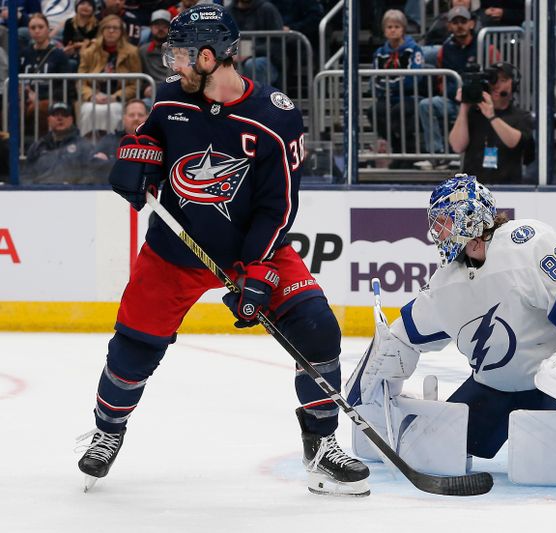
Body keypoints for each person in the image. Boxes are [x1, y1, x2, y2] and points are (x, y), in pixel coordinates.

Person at [76, 4, 370, 497]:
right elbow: (147, 141)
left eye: (183, 54)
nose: (174, 64)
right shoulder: (171, 99)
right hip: (176, 248)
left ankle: (321, 446)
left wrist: (257, 270)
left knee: (317, 327)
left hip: (252, 248)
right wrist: (134, 159)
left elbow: (279, 206)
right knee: (133, 347)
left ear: (211, 57)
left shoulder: (275, 118)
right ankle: (108, 431)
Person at [346, 174, 556, 462]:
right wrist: (373, 386)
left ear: (467, 216)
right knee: (437, 448)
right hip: (497, 388)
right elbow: (402, 337)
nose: (437, 232)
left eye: (443, 221)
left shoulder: (528, 244)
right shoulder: (445, 284)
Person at [417, 7, 498, 166]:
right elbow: (441, 79)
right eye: (455, 22)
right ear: (449, 26)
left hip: (481, 103)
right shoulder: (444, 50)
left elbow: (496, 78)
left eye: (463, 21)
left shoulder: (486, 46)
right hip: (454, 102)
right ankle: (437, 155)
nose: (459, 25)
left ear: (472, 24)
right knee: (427, 105)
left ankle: (479, 159)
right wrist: (454, 94)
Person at [449, 61, 534, 183]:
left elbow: (514, 142)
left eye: (503, 80)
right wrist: (464, 107)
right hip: (473, 188)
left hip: (509, 188)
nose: (497, 85)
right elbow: (457, 146)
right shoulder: (474, 113)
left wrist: (491, 116)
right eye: (493, 80)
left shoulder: (522, 116)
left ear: (513, 84)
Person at [368, 9, 424, 169]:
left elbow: (414, 77)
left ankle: (410, 151)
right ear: (384, 31)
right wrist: (389, 87)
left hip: (410, 96)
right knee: (373, 111)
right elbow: (374, 78)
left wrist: (390, 86)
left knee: (398, 111)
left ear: (403, 29)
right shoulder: (379, 53)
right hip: (386, 97)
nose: (393, 30)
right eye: (389, 27)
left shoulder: (414, 49)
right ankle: (399, 149)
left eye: (397, 27)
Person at [78, 14, 143, 137]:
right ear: (102, 30)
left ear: (121, 32)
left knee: (114, 110)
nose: (111, 31)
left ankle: (112, 146)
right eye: (107, 27)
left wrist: (116, 97)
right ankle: (87, 146)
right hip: (95, 95)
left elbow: (136, 83)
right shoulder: (89, 52)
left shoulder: (132, 52)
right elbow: (80, 81)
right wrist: (91, 96)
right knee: (87, 110)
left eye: (115, 28)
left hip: (118, 97)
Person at [22, 102, 96, 184]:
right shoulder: (38, 146)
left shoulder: (84, 146)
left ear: (71, 120)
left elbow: (90, 175)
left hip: (72, 194)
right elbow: (27, 176)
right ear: (49, 120)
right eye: (55, 115)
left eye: (64, 115)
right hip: (41, 193)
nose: (60, 118)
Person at [226, 0, 283, 86]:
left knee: (252, 65)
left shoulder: (267, 9)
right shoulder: (228, 11)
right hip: (234, 58)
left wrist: (251, 53)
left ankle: (254, 98)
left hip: (265, 59)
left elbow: (277, 42)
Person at [138, 8, 171, 101]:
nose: (160, 29)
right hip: (151, 94)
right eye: (157, 25)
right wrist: (144, 88)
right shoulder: (143, 50)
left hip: (173, 92)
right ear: (151, 28)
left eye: (164, 26)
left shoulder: (178, 50)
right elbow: (139, 75)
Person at [62, 0, 99, 71]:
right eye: (82, 3)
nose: (85, 7)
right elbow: (66, 42)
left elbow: (95, 42)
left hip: (91, 53)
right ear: (76, 7)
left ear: (93, 9)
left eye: (89, 5)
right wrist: (84, 43)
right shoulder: (69, 22)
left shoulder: (96, 24)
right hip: (72, 53)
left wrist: (78, 44)